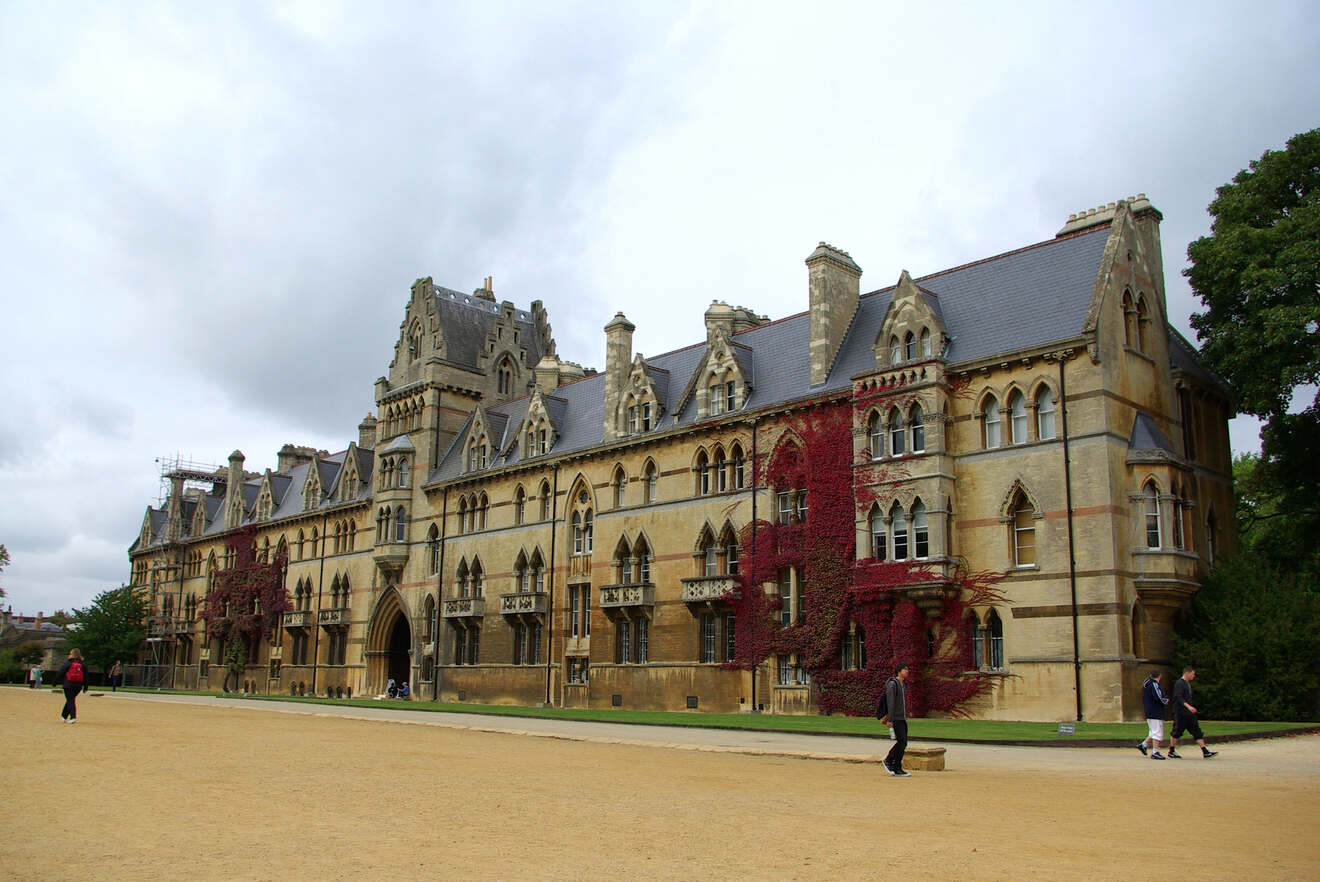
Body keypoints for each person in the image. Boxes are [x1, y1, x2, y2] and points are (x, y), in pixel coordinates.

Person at [1169, 667, 1219, 759]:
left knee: (1196, 730)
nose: (1194, 676)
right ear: (1187, 673)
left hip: (1189, 713)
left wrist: (1190, 708)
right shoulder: (1179, 683)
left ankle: (1205, 751)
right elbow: (1178, 697)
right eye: (1193, 674)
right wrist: (1188, 706)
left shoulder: (1187, 684)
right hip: (1180, 712)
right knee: (1177, 731)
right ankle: (1171, 751)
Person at [883, 663, 912, 777]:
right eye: (905, 669)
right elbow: (891, 702)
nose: (907, 671)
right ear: (899, 671)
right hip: (895, 718)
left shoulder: (903, 685)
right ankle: (889, 761)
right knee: (902, 741)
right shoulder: (892, 684)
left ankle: (896, 767)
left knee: (903, 742)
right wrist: (890, 720)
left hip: (902, 717)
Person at [1137, 669, 1169, 760]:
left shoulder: (1147, 683)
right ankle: (1155, 752)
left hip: (1150, 710)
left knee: (1154, 731)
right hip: (1155, 711)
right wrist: (1165, 701)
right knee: (1157, 731)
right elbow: (1158, 697)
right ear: (1160, 676)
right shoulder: (1154, 684)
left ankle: (1143, 745)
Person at [56, 649, 88, 724]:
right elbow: (86, 676)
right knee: (70, 699)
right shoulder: (83, 664)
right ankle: (63, 716)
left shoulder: (68, 663)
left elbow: (60, 672)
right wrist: (85, 687)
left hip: (68, 684)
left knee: (70, 700)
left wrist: (55, 682)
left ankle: (73, 717)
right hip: (78, 685)